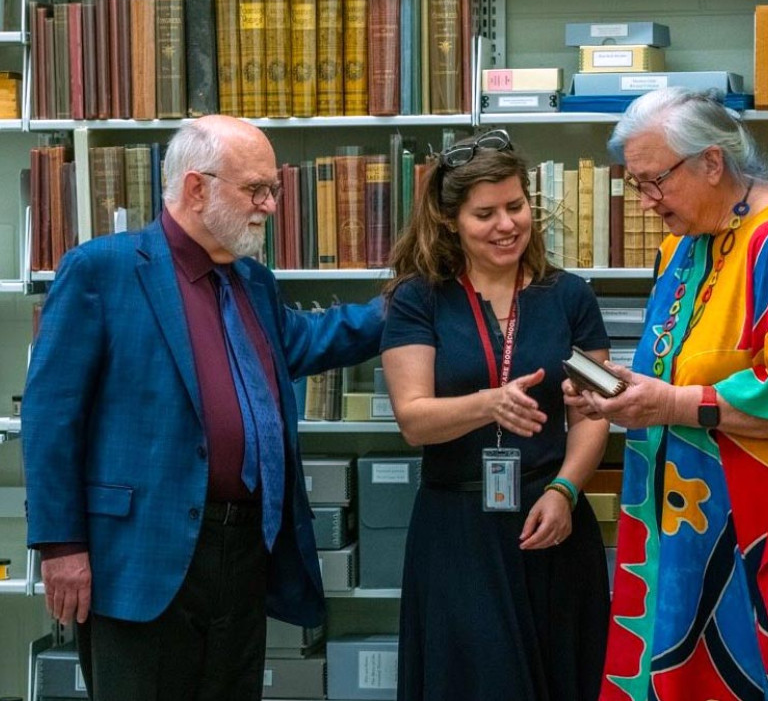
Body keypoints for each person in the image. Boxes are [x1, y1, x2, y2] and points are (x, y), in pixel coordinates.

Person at [22, 115, 384, 701]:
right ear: (196, 188)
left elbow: (311, 340)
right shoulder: (102, 270)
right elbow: (51, 418)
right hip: (139, 555)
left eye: (273, 190)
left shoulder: (252, 282)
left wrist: (407, 305)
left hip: (243, 554)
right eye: (256, 189)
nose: (270, 206)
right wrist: (61, 546)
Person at [381, 128, 611, 701]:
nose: (507, 225)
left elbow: (593, 412)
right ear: (450, 221)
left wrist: (565, 490)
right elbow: (413, 419)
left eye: (516, 206)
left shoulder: (571, 296)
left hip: (551, 518)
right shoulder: (418, 298)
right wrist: (490, 403)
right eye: (485, 214)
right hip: (457, 529)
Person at [562, 87, 768, 701]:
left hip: (746, 525)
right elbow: (674, 367)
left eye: (655, 182)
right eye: (636, 184)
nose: (646, 201)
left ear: (712, 162)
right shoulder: (681, 245)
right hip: (672, 521)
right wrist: (620, 393)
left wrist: (671, 404)